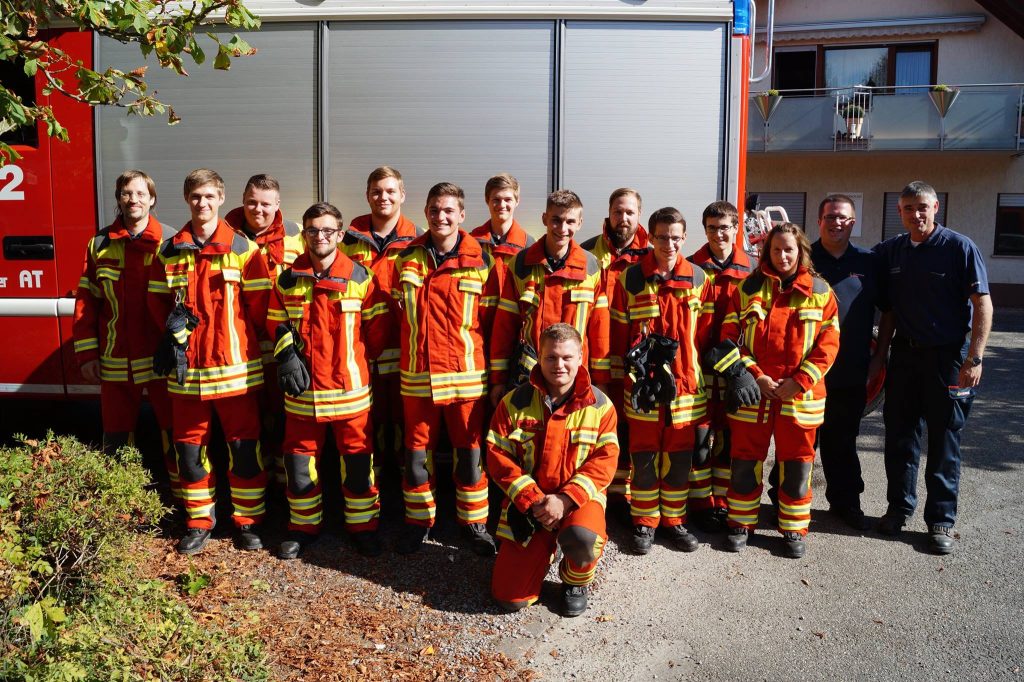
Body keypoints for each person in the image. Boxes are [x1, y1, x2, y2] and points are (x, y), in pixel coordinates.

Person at [148, 168, 272, 555]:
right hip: (187, 374)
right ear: (187, 200)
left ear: (221, 199)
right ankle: (199, 522)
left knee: (244, 450)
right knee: (189, 452)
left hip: (235, 372)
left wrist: (243, 345)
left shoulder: (243, 250)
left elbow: (260, 308)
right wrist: (175, 338)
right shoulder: (168, 251)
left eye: (209, 196)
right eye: (195, 197)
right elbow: (157, 305)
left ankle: (248, 523)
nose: (202, 203)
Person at [266, 202, 393, 559]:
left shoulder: (360, 277)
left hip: (351, 395)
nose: (319, 237)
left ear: (339, 234)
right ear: (304, 234)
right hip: (303, 395)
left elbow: (378, 331)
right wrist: (287, 353)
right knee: (299, 463)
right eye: (311, 230)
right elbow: (275, 322)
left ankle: (363, 528)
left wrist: (351, 363)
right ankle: (303, 528)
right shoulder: (288, 279)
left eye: (326, 231)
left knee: (357, 464)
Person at [871, 181, 992, 555]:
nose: (916, 214)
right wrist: (879, 356)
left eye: (922, 207)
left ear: (936, 207)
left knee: (944, 439)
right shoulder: (891, 252)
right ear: (900, 213)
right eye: (909, 208)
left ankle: (940, 519)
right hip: (904, 357)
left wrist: (975, 357)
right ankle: (898, 508)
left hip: (947, 358)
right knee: (900, 436)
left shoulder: (959, 248)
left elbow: (982, 304)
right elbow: (888, 310)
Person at [712, 223, 839, 558]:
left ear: (800, 252)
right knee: (744, 461)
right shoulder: (747, 288)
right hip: (756, 392)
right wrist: (756, 376)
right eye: (776, 250)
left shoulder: (821, 290)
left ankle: (793, 528)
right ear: (766, 251)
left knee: (797, 466)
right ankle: (740, 523)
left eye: (789, 250)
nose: (783, 256)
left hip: (800, 395)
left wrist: (800, 380)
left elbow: (829, 343)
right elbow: (730, 337)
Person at [389, 182, 498, 556]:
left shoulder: (483, 261)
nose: (441, 216)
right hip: (418, 377)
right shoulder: (406, 259)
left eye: (449, 210)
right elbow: (395, 315)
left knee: (469, 455)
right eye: (435, 210)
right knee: (417, 457)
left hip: (466, 378)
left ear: (462, 215)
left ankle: (474, 523)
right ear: (426, 213)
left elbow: (493, 320)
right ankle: (419, 522)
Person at [488, 323, 618, 617]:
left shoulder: (600, 406)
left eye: (567, 357)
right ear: (540, 358)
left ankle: (575, 580)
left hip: (578, 502)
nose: (559, 365)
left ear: (581, 357)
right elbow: (497, 454)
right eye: (551, 357)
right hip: (531, 506)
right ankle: (543, 549)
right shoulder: (515, 402)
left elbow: (605, 460)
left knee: (584, 539)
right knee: (509, 598)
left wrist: (566, 499)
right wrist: (533, 499)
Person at [609, 207, 712, 554]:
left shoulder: (699, 279)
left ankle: (675, 521)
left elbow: (706, 337)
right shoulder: (630, 279)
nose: (669, 243)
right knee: (644, 457)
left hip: (685, 388)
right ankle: (644, 522)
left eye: (676, 236)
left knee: (680, 458)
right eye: (662, 236)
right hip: (643, 388)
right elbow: (617, 335)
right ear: (650, 237)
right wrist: (625, 382)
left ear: (685, 238)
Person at [73, 170, 178, 500]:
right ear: (119, 199)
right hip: (116, 356)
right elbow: (87, 302)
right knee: (117, 434)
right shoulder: (100, 244)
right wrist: (88, 355)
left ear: (152, 199)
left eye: (140, 194)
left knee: (175, 431)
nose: (133, 200)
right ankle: (123, 502)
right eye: (126, 194)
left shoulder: (171, 241)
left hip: (161, 356)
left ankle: (183, 498)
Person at [489, 190, 609, 407]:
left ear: (580, 223)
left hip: (575, 377)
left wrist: (600, 380)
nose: (563, 229)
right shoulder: (520, 264)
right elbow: (504, 326)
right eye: (556, 220)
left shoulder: (592, 267)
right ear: (545, 219)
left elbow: (599, 330)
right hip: (529, 377)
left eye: (570, 221)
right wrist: (498, 379)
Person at [224, 174, 304, 492]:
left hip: (285, 348)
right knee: (249, 426)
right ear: (243, 200)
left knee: (287, 421)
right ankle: (258, 492)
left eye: (266, 204)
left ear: (278, 205)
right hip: (241, 349)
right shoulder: (224, 235)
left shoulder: (297, 236)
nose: (258, 209)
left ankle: (287, 494)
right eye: (252, 202)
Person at [343, 166, 421, 486]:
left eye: (390, 191)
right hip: (361, 351)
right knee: (366, 425)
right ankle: (369, 489)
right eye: (377, 191)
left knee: (405, 423)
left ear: (402, 195)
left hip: (406, 351)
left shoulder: (418, 240)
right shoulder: (347, 240)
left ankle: (402, 490)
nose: (383, 197)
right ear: (367, 196)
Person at [809, 194, 881, 531]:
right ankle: (786, 501)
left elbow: (889, 311)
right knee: (801, 443)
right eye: (830, 217)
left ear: (853, 222)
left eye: (843, 218)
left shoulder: (869, 262)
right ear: (819, 220)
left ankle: (846, 503)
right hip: (805, 373)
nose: (836, 223)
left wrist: (879, 357)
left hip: (849, 370)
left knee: (842, 442)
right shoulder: (802, 257)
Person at [686, 200, 753, 531]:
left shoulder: (753, 271)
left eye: (724, 227)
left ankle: (724, 502)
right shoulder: (690, 268)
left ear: (736, 228)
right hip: (698, 368)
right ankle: (699, 503)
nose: (718, 234)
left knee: (728, 437)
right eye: (712, 228)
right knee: (698, 438)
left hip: (734, 372)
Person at [581, 188, 651, 502]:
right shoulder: (585, 253)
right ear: (609, 213)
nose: (623, 219)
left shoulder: (652, 256)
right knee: (593, 429)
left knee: (632, 431)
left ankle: (625, 499)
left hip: (634, 364)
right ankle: (597, 493)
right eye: (618, 212)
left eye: (630, 212)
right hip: (595, 360)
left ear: (639, 215)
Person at [469, 172, 534, 272]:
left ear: (517, 201)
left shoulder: (529, 245)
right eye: (496, 199)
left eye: (508, 199)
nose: (502, 205)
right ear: (487, 200)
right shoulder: (471, 241)